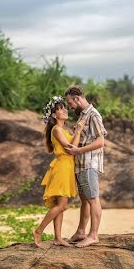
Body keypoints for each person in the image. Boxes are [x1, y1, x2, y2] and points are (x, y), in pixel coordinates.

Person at [33, 95, 85, 246]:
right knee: (62, 205)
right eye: (60, 109)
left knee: (60, 204)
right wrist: (78, 132)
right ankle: (38, 231)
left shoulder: (62, 129)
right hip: (62, 167)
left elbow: (71, 147)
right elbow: (71, 150)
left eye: (64, 107)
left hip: (66, 167)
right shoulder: (57, 129)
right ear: (54, 115)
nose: (65, 110)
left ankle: (58, 238)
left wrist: (75, 133)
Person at [63, 85, 107, 248]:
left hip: (89, 164)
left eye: (70, 102)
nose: (70, 106)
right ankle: (81, 232)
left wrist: (78, 150)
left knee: (93, 199)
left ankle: (93, 235)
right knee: (85, 200)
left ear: (77, 98)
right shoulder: (83, 115)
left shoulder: (93, 115)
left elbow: (100, 141)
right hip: (81, 164)